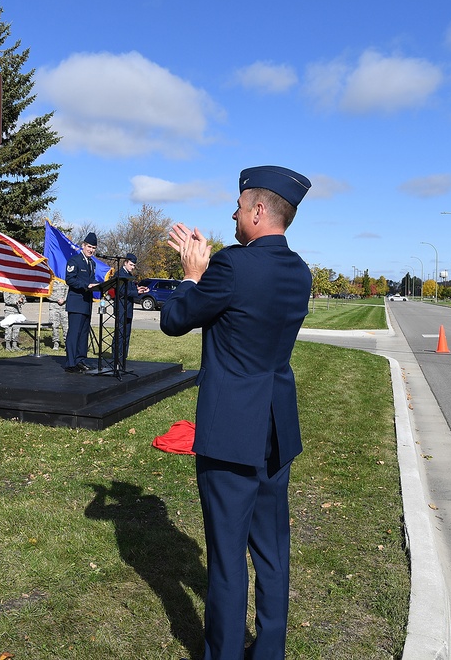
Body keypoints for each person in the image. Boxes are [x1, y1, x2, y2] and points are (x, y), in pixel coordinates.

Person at [160, 165, 312, 660]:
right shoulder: (299, 271)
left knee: (227, 558)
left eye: (240, 205)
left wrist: (190, 275)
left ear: (260, 210)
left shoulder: (232, 266)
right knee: (272, 550)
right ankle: (268, 651)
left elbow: (175, 320)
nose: (234, 212)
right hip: (275, 428)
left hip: (231, 432)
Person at [65, 232, 102, 373]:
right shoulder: (74, 261)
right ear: (83, 246)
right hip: (76, 303)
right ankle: (71, 363)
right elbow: (70, 279)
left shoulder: (92, 263)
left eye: (94, 248)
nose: (91, 250)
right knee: (74, 333)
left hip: (87, 303)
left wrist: (98, 285)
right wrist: (86, 285)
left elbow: (92, 281)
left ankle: (81, 360)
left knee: (83, 334)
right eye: (89, 247)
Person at [111, 253, 149, 365]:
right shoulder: (120, 274)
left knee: (126, 334)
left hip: (128, 309)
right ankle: (116, 358)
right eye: (131, 264)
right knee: (120, 334)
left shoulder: (129, 275)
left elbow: (130, 290)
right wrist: (136, 292)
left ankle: (123, 357)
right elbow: (122, 291)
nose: (132, 267)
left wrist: (139, 289)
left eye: (134, 265)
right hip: (121, 308)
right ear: (125, 262)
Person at [47, 278, 69, 350]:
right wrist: (57, 299)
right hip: (53, 306)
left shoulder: (64, 281)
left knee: (66, 326)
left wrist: (64, 299)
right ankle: (56, 342)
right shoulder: (50, 282)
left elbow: (68, 291)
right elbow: (47, 294)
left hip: (64, 306)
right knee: (54, 326)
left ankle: (67, 343)